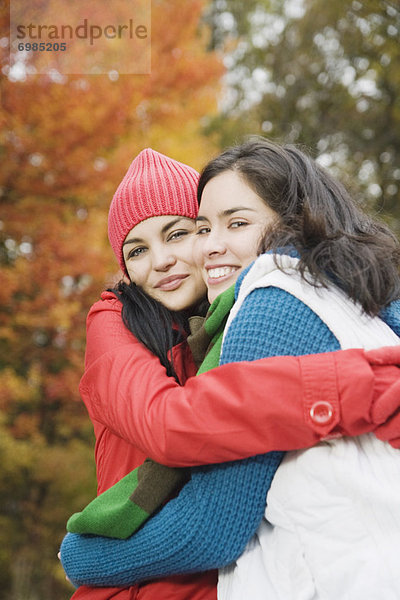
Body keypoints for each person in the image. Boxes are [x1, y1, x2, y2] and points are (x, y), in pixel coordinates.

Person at [60, 142, 400, 597]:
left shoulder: (255, 307)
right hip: (142, 585)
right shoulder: (116, 321)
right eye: (136, 250)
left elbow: (210, 522)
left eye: (179, 234)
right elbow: (169, 425)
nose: (160, 261)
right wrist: (79, 554)